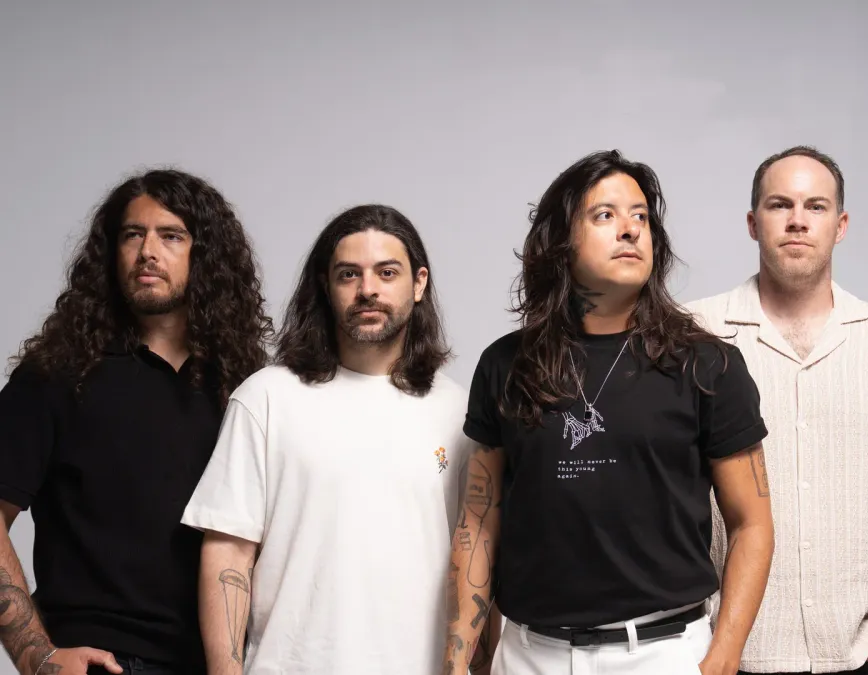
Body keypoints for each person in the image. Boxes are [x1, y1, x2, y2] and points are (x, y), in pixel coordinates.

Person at [442, 149, 775, 675]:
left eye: (641, 216)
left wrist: (725, 655)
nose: (630, 229)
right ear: (560, 242)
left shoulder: (707, 365)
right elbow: (479, 522)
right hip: (530, 655)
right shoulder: (506, 364)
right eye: (605, 215)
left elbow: (751, 522)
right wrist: (457, 661)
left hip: (663, 654)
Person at [181, 204, 496, 674]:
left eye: (386, 272)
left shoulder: (460, 412)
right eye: (349, 274)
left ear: (419, 284)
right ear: (326, 286)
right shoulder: (266, 398)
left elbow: (478, 553)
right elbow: (228, 551)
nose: (367, 289)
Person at [0, 169, 273, 675]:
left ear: (204, 256)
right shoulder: (58, 375)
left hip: (220, 662)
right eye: (132, 235)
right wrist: (35, 653)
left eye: (171, 236)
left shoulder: (244, 388)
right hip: (103, 660)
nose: (148, 251)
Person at [687, 145, 868, 675]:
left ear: (840, 225)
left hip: (861, 655)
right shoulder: (692, 335)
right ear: (753, 223)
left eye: (815, 206)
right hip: (721, 654)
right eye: (780, 205)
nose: (797, 221)